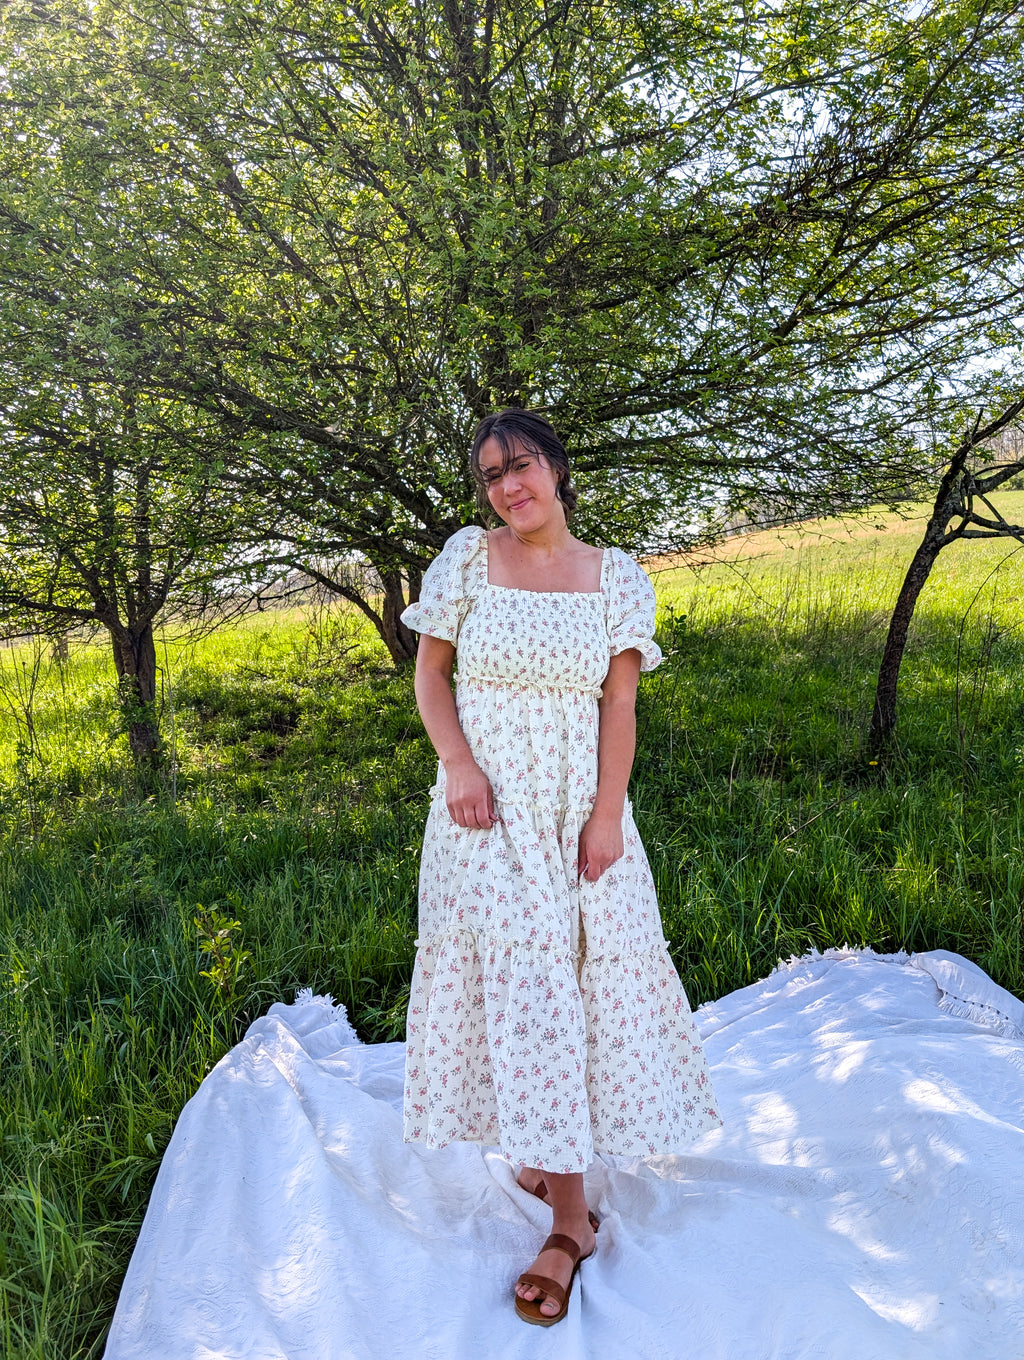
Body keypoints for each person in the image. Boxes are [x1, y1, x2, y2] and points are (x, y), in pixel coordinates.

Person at [400, 409, 720, 1326]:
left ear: (558, 469)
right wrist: (457, 763)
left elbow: (620, 703)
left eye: (523, 464)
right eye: (492, 473)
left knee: (580, 980)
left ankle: (562, 1185)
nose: (508, 487)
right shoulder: (466, 558)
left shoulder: (615, 577)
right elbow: (431, 673)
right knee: (527, 985)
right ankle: (570, 1217)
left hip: (578, 808)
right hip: (486, 811)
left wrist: (608, 812)